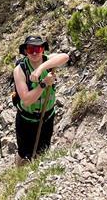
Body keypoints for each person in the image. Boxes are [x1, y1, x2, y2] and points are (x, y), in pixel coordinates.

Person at [13, 35, 69, 165]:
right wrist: (43, 84)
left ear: (43, 49)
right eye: (30, 49)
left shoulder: (48, 61)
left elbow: (65, 57)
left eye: (37, 49)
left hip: (47, 117)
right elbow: (26, 100)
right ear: (25, 51)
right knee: (24, 154)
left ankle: (37, 175)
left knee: (43, 151)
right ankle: (19, 178)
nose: (34, 52)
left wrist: (40, 69)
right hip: (26, 119)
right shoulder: (20, 70)